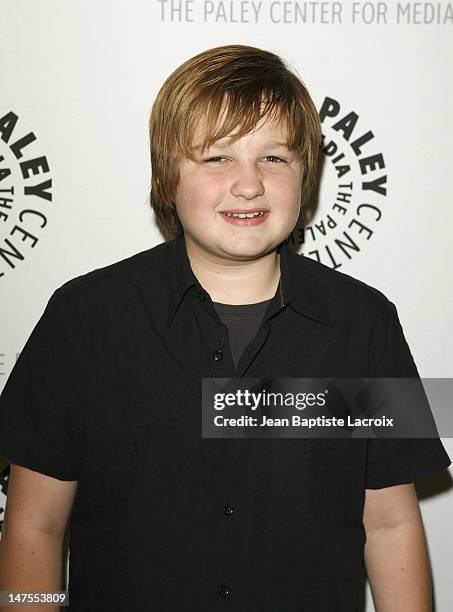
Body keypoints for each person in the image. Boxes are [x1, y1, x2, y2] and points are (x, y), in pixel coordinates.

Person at [0, 44, 450, 612]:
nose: (248, 184)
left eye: (275, 158)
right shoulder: (84, 319)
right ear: (167, 176)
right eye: (216, 158)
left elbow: (388, 526)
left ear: (305, 176)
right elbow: (35, 528)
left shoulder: (364, 323)